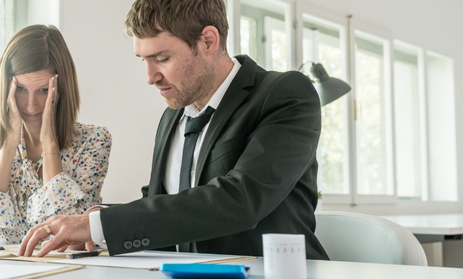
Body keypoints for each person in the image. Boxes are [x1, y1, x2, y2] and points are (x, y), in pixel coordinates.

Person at [18, 0, 329, 260]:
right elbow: (161, 204)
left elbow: (240, 200)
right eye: (144, 59)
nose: (150, 77)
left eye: (162, 58)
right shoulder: (173, 116)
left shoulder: (284, 94)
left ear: (209, 40)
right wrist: (93, 225)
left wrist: (100, 225)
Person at [0, 24, 112, 244]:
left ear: (61, 88)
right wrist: (7, 148)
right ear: (6, 87)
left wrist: (50, 146)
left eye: (43, 90)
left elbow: (67, 237)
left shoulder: (93, 141)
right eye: (21, 89)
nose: (31, 106)